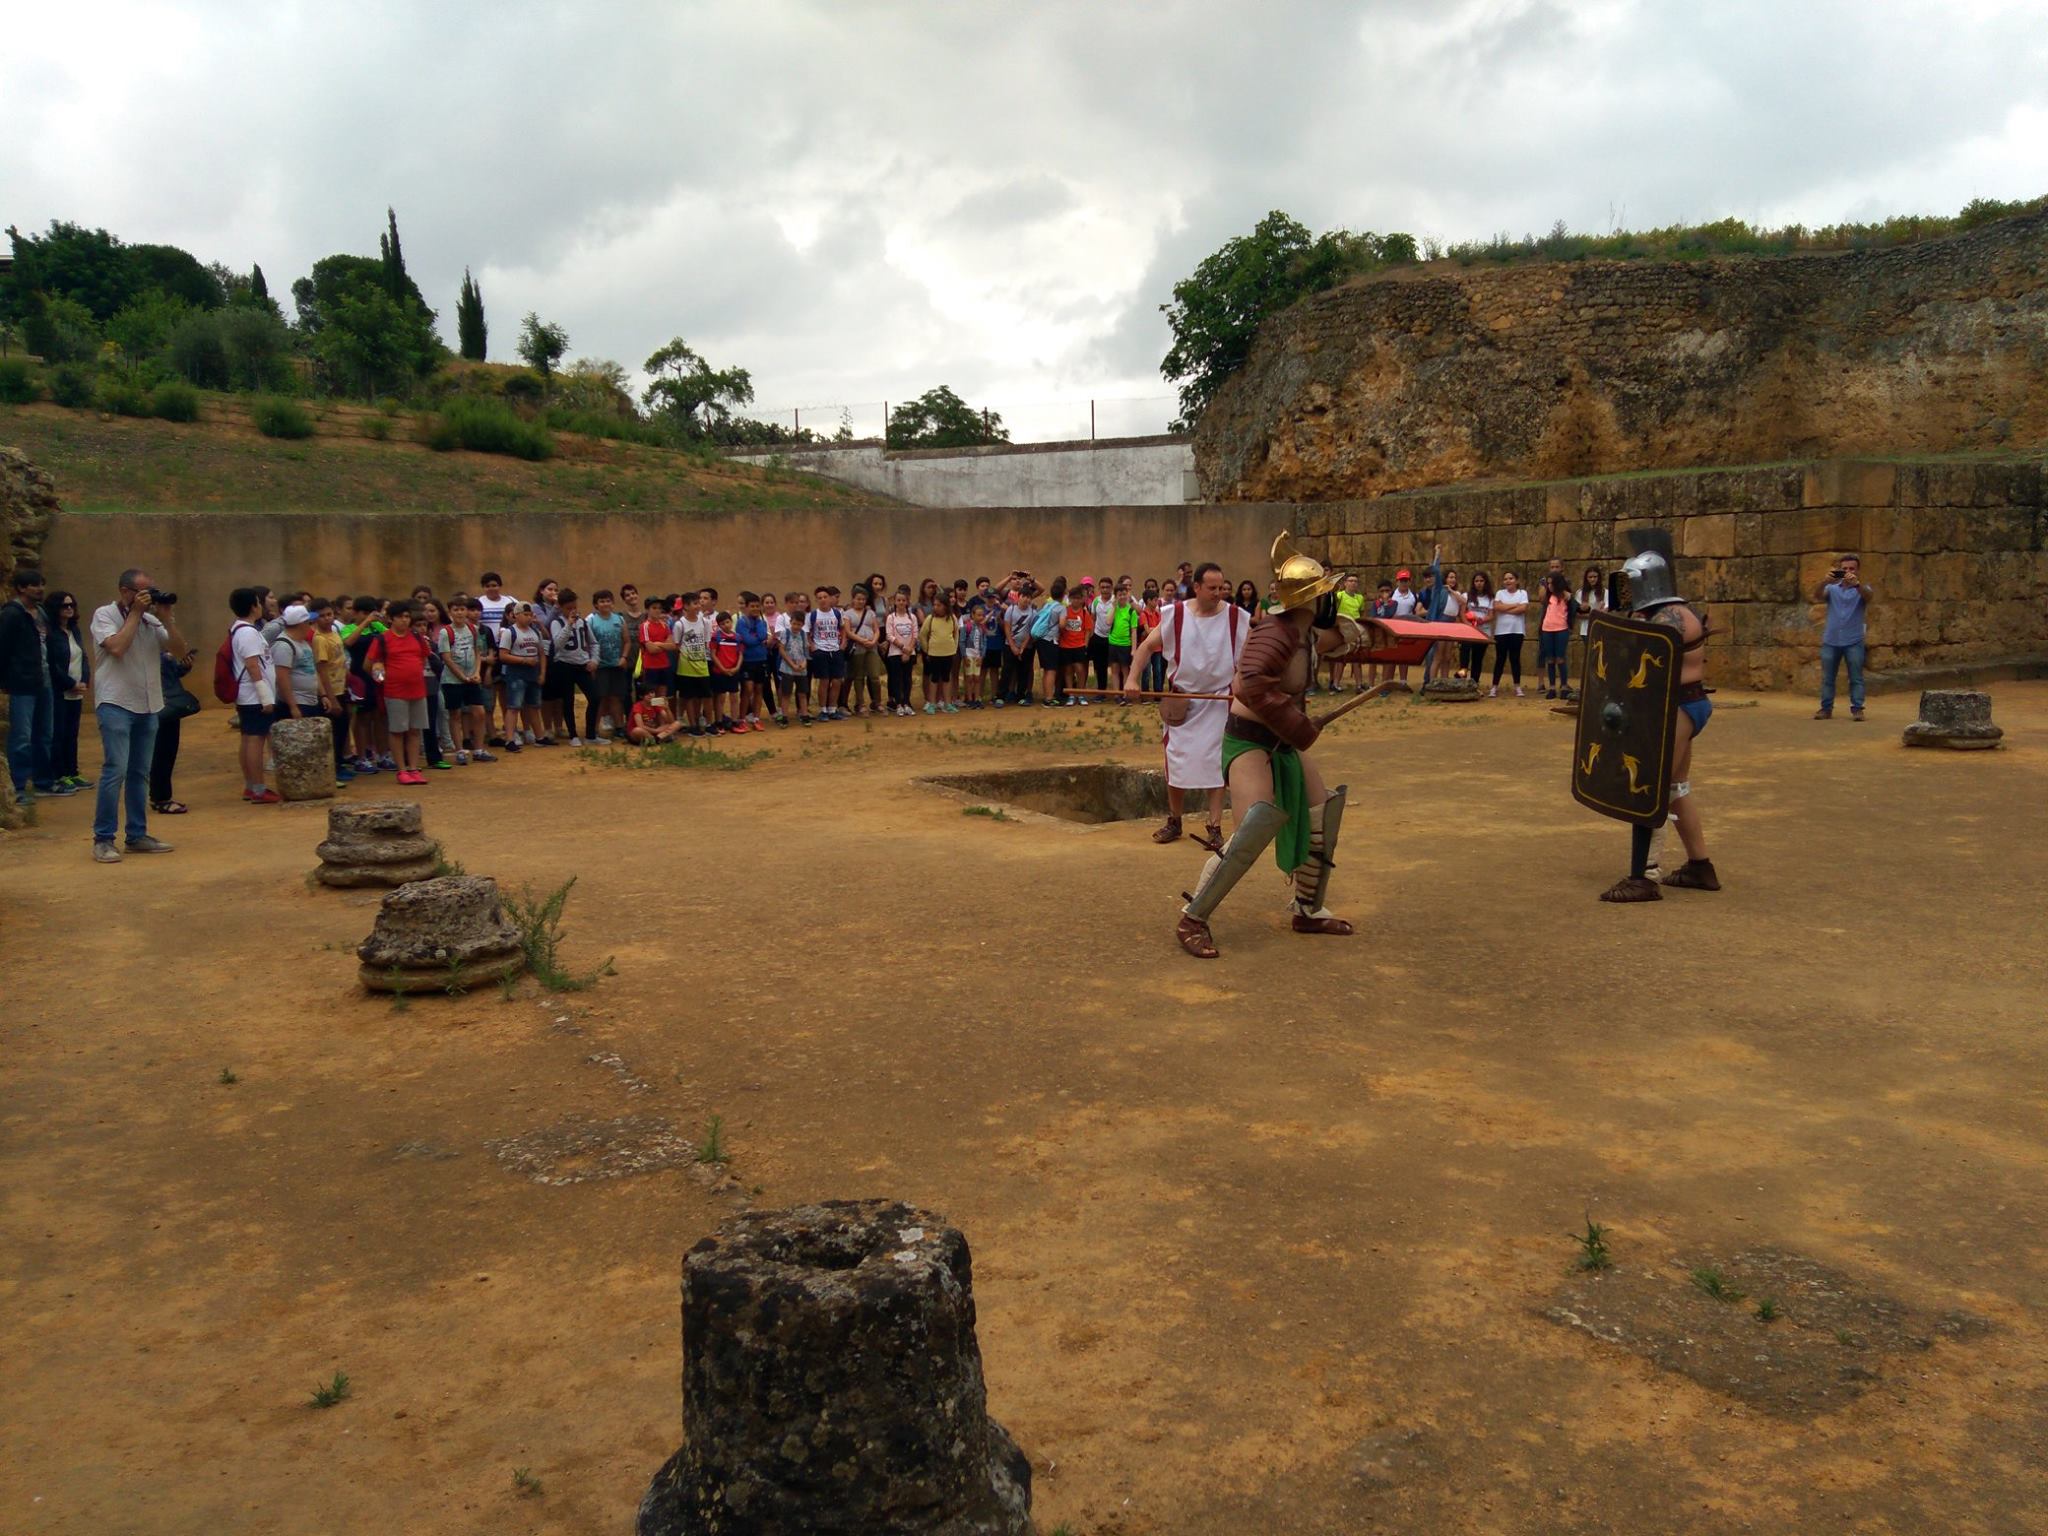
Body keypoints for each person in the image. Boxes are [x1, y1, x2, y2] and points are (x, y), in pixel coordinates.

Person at [1176, 535, 1355, 959]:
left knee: (1321, 812)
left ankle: (1307, 908)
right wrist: (1299, 727)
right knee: (1252, 830)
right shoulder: (1273, 634)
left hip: (1284, 738)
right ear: (1311, 599)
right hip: (1251, 738)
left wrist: (1386, 634)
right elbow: (1252, 684)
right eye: (1326, 593)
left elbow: (1346, 639)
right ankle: (1193, 917)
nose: (1331, 600)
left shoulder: (1307, 632)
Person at [1601, 539, 1719, 901]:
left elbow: (1642, 659)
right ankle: (1701, 867)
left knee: (1647, 788)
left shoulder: (1668, 616)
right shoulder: (1675, 611)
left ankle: (1643, 877)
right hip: (1689, 704)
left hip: (1677, 708)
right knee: (1674, 790)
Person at [1126, 560, 1243, 850]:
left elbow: (1247, 659)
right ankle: (1175, 820)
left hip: (1218, 701)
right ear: (1197, 587)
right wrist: (1132, 679)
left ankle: (1214, 826)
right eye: (1212, 588)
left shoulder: (1235, 618)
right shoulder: (1176, 616)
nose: (1218, 593)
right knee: (1176, 762)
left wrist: (1241, 686)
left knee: (1217, 765)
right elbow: (1144, 648)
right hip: (1182, 701)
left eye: (1221, 588)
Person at [89, 567, 184, 862]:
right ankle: (103, 839)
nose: (148, 597)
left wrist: (166, 617)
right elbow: (117, 647)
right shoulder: (104, 615)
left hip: (148, 704)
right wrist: (134, 615)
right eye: (143, 591)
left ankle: (137, 835)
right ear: (125, 592)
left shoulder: (152, 621)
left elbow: (180, 651)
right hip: (115, 702)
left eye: (151, 591)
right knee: (114, 770)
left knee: (140, 773)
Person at [1, 568, 65, 801]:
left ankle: (43, 782)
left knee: (44, 735)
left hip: (44, 681)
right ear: (21, 588)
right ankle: (18, 787)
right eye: (34, 585)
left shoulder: (41, 613)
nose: (40, 589)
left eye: (41, 584)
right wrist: (6, 680)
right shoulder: (11, 614)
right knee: (21, 737)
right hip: (22, 684)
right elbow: (4, 648)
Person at [367, 600, 435, 784]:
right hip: (395, 691)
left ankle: (413, 768)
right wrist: (382, 676)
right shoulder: (383, 639)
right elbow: (370, 664)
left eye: (406, 617)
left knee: (414, 730)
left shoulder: (416, 637)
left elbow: (422, 658)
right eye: (400, 617)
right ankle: (401, 769)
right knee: (397, 730)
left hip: (417, 690)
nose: (404, 620)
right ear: (391, 619)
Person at [226, 586, 281, 804]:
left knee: (249, 738)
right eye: (259, 603)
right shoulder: (248, 632)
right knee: (255, 740)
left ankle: (251, 786)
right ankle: (258, 788)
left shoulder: (241, 629)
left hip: (248, 695)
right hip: (254, 696)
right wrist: (265, 696)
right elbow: (252, 665)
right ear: (253, 607)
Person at [148, 593, 198, 814]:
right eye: (162, 605)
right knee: (159, 751)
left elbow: (177, 655)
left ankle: (161, 795)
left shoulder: (162, 631)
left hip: (169, 700)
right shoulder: (145, 630)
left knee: (168, 750)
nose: (169, 610)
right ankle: (160, 797)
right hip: (154, 701)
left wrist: (184, 666)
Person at [1813, 554, 1872, 721]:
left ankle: (1858, 708)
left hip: (1853, 639)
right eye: (1844, 569)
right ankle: (1826, 708)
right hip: (1831, 639)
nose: (1848, 572)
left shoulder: (1863, 589)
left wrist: (1857, 584)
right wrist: (1825, 581)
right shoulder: (1832, 588)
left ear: (1858, 570)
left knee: (1856, 676)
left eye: (1851, 569)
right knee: (1828, 677)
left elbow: (1869, 597)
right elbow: (1817, 596)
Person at [43, 589, 91, 791]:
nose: (69, 608)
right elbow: (52, 665)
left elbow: (83, 658)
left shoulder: (74, 631)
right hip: (60, 690)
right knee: (59, 733)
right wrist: (70, 683)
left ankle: (72, 771)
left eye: (72, 605)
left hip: (76, 691)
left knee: (72, 733)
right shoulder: (51, 634)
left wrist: (85, 681)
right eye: (65, 605)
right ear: (55, 609)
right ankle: (59, 774)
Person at [438, 597, 493, 763]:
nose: (460, 613)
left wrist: (477, 672)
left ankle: (478, 748)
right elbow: (446, 658)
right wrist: (462, 676)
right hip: (452, 680)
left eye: (462, 609)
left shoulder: (473, 629)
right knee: (455, 714)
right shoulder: (445, 632)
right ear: (450, 613)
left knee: (480, 712)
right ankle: (459, 749)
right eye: (456, 610)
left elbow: (478, 652)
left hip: (472, 678)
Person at [498, 603, 548, 750]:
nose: (528, 618)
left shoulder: (535, 632)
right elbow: (503, 655)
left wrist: (542, 673)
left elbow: (542, 654)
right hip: (517, 672)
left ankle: (540, 737)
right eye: (525, 615)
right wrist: (524, 660)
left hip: (533, 672)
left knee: (534, 706)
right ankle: (509, 740)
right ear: (516, 615)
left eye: (530, 615)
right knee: (514, 706)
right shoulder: (509, 632)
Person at [585, 589, 630, 740]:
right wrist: (592, 662)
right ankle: (594, 729)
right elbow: (587, 643)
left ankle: (619, 727)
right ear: (596, 605)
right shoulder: (590, 620)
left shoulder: (619, 619)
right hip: (600, 666)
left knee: (616, 697)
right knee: (600, 698)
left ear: (612, 603)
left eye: (608, 601)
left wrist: (623, 657)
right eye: (602, 601)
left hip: (616, 665)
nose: (605, 604)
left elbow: (627, 641)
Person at [805, 586, 845, 720]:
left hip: (835, 649)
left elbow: (843, 628)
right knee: (824, 681)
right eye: (820, 598)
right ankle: (823, 710)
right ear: (816, 600)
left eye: (825, 597)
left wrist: (843, 643)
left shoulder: (837, 613)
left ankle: (833, 709)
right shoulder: (812, 615)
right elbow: (807, 633)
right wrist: (813, 646)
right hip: (821, 651)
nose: (823, 600)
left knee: (837, 680)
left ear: (829, 598)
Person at [735, 593, 772, 732]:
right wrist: (758, 640)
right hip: (747, 661)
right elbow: (748, 641)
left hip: (761, 660)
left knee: (759, 689)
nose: (755, 608)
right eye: (752, 606)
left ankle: (756, 719)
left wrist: (756, 636)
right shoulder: (742, 622)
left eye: (757, 606)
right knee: (747, 689)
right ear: (746, 607)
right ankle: (742, 719)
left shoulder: (761, 622)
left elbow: (763, 635)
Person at [1536, 572, 1576, 700]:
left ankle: (1564, 686)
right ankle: (1552, 687)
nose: (1549, 585)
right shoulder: (1548, 596)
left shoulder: (1566, 596)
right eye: (1548, 583)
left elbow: (1575, 609)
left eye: (1551, 583)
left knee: (1560, 658)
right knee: (1550, 659)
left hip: (1561, 629)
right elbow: (1541, 599)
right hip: (1547, 629)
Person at [1489, 571, 1529, 698]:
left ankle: (1517, 686)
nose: (1508, 581)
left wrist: (1505, 608)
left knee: (1515, 658)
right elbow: (1497, 607)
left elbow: (1523, 609)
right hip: (1501, 631)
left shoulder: (1522, 593)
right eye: (1506, 579)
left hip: (1517, 631)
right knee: (1500, 659)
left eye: (1511, 578)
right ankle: (1494, 686)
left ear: (1516, 580)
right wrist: (1513, 606)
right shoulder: (1500, 593)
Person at [919, 593, 960, 713]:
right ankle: (932, 703)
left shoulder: (952, 618)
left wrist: (954, 648)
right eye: (934, 605)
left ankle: (948, 703)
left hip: (948, 653)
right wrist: (927, 650)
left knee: (947, 678)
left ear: (945, 606)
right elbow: (922, 635)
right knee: (934, 678)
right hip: (934, 654)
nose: (935, 607)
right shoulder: (930, 619)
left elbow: (956, 633)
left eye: (938, 605)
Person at [1572, 566, 1607, 699]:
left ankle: (1599, 685)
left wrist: (1590, 612)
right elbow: (1578, 614)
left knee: (1600, 658)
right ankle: (1589, 685)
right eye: (1590, 577)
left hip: (1601, 629)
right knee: (1590, 658)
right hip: (1586, 630)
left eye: (1595, 577)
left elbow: (1605, 612)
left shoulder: (1605, 592)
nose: (1592, 579)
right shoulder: (1581, 593)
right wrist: (1594, 612)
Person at [883, 588, 918, 716]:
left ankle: (907, 703)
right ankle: (898, 704)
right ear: (895, 602)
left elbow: (915, 635)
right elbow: (889, 635)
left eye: (904, 600)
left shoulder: (912, 617)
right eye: (899, 600)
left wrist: (909, 650)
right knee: (896, 678)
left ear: (907, 602)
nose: (901, 602)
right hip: (895, 653)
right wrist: (903, 648)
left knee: (907, 678)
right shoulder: (891, 618)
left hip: (909, 652)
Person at [1460, 571, 1494, 683]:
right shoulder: (1467, 596)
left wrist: (1481, 620)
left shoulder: (1490, 598)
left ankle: (1474, 682)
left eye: (1481, 581)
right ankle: (1462, 680)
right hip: (1468, 631)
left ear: (1485, 582)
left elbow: (1491, 615)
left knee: (1477, 659)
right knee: (1464, 657)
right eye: (1476, 581)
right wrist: (1468, 624)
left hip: (1483, 631)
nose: (1479, 583)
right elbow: (1462, 613)